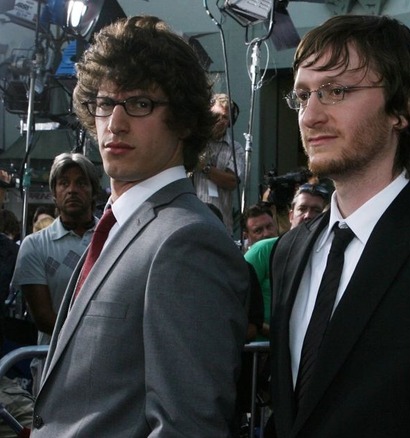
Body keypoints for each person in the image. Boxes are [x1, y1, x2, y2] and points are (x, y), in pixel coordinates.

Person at [269, 15, 410, 437]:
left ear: (403, 108)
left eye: (335, 91)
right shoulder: (290, 250)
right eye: (303, 96)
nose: (309, 116)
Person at [30, 16, 249, 437]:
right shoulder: (118, 224)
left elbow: (188, 427)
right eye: (104, 103)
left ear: (185, 120)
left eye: (140, 103)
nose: (115, 123)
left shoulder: (188, 239)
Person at [11, 153, 100, 395]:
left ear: (93, 192)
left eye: (81, 183)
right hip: (55, 363)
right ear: (54, 193)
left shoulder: (113, 238)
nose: (72, 190)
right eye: (64, 183)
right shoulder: (35, 245)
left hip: (107, 365)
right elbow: (43, 318)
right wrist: (96, 341)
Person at [245, 183, 329, 341]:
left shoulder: (329, 255)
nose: (308, 215)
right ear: (291, 215)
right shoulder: (264, 250)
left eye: (316, 211)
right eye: (302, 209)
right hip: (261, 352)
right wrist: (275, 334)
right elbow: (237, 298)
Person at [192, 93, 245, 234]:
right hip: (191, 219)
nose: (220, 121)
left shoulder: (235, 148)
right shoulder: (193, 142)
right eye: (216, 116)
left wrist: (205, 167)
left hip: (221, 225)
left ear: (230, 121)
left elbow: (232, 181)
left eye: (225, 117)